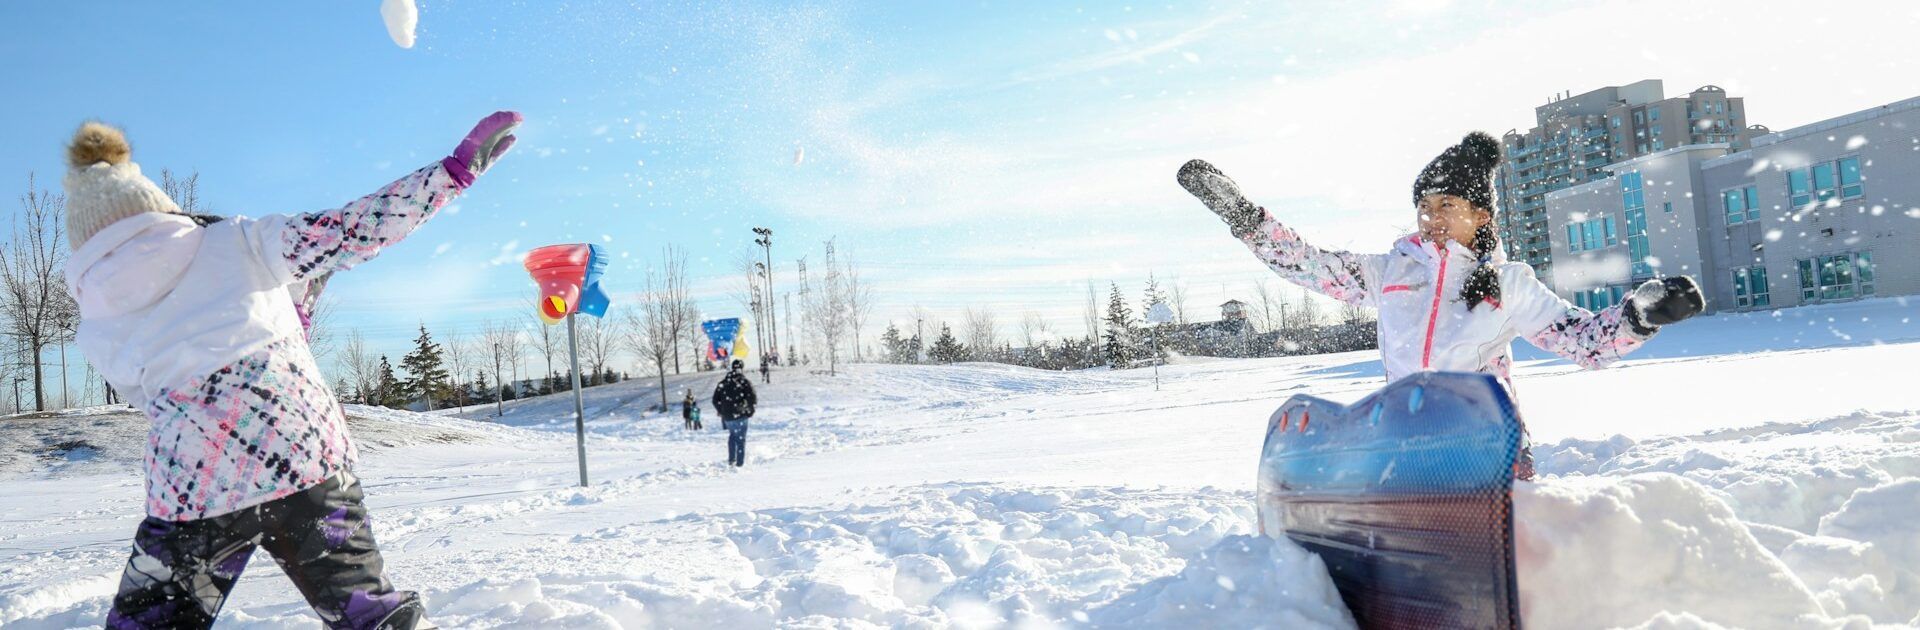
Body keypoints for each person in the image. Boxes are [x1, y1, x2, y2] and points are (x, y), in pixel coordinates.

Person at [66, 112, 521, 629]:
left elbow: (151, 395)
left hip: (195, 482)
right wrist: (450, 175)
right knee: (366, 613)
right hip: (303, 453)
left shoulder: (96, 319)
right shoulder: (234, 239)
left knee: (152, 623)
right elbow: (352, 230)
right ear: (160, 209)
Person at [1179, 132, 1703, 479]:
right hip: (1407, 446)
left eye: (1445, 205)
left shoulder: (1507, 284)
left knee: (1489, 556)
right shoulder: (1391, 272)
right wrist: (1246, 217)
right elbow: (1308, 265)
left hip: (1487, 449)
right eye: (1423, 206)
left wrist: (1639, 314)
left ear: (1479, 213)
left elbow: (1583, 342)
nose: (1430, 217)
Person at [712, 360, 758, 468]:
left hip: (727, 417)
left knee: (733, 436)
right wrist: (749, 412)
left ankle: (731, 460)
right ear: (741, 368)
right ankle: (739, 464)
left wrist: (722, 411)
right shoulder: (744, 382)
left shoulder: (723, 383)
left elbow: (715, 400)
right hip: (740, 415)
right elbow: (752, 398)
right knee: (740, 439)